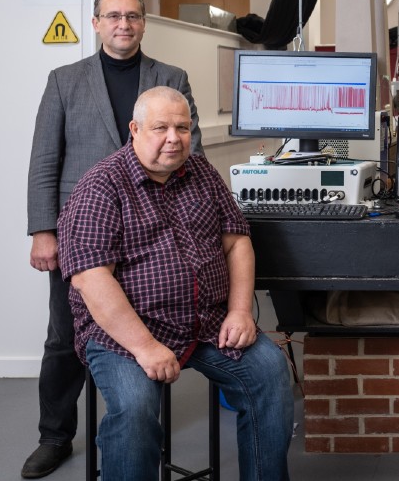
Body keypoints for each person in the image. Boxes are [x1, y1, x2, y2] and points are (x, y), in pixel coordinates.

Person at [57, 86, 295, 480]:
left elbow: (237, 241)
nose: (174, 138)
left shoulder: (202, 171)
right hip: (126, 333)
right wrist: (146, 348)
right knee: (134, 409)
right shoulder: (100, 186)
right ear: (134, 130)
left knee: (269, 372)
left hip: (204, 322)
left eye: (182, 128)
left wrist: (238, 312)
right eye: (161, 128)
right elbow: (92, 279)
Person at [23, 0, 204, 478]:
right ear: (97, 22)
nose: (123, 24)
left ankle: (135, 425)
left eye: (133, 16)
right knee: (64, 338)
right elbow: (44, 161)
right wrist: (43, 231)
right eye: (113, 16)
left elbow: (193, 154)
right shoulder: (64, 80)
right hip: (80, 235)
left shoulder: (171, 78)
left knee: (152, 323)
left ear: (144, 24)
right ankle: (55, 436)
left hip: (153, 232)